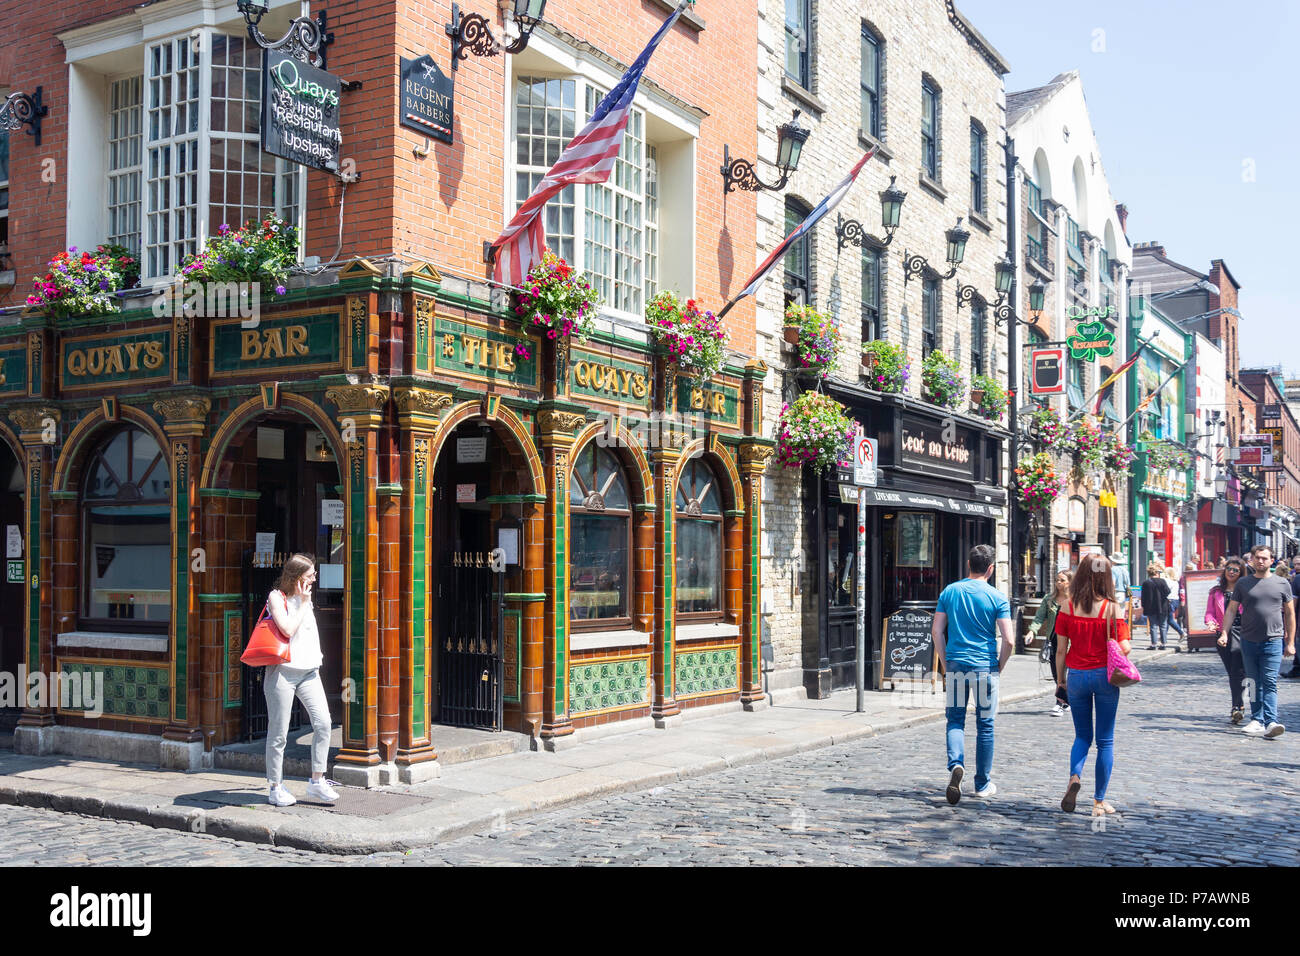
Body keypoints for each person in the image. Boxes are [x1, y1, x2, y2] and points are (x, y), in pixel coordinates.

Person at [932, 545, 1015, 804]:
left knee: (955, 720)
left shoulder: (950, 591)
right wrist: (999, 666)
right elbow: (1009, 640)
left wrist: (946, 664)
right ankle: (982, 784)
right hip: (984, 666)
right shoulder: (997, 597)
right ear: (990, 569)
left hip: (956, 663)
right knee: (985, 726)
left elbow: (936, 631)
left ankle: (956, 765)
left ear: (968, 564)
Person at [1053, 554, 1131, 816]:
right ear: (1107, 577)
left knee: (1082, 736)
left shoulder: (1068, 606)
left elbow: (1061, 650)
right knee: (1105, 741)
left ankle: (1075, 777)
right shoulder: (1112, 608)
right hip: (1104, 676)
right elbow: (1124, 647)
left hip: (1076, 675)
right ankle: (1098, 801)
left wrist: (1060, 680)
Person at [264, 553, 339, 807]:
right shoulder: (277, 597)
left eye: (314, 575)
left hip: (309, 672)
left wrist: (306, 601)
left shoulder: (306, 599)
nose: (314, 579)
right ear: (296, 577)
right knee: (279, 733)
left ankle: (317, 781)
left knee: (324, 723)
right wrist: (304, 602)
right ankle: (275, 786)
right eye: (310, 576)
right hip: (283, 673)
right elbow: (286, 629)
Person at [1222, 544, 1296, 738]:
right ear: (1252, 560)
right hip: (1248, 640)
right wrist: (1224, 632)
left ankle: (1271, 720)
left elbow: (1290, 613)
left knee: (1269, 680)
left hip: (1273, 639)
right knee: (1253, 682)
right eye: (1258, 558)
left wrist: (1290, 642)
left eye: (1265, 558)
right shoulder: (1243, 584)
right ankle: (1257, 719)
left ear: (1272, 561)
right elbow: (1231, 610)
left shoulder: (1282, 583)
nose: (1261, 561)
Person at [1205, 557, 1248, 724]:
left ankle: (1237, 706)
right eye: (1229, 568)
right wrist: (1210, 622)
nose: (1231, 572)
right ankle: (1238, 704)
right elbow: (1210, 612)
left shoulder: (1245, 590)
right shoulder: (1216, 591)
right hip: (1223, 633)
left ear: (1241, 573)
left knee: (1238, 670)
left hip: (1243, 632)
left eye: (1236, 570)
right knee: (1232, 672)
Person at [1028, 570, 1073, 716]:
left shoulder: (1076, 599)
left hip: (1073, 641)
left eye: (1062, 580)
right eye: (1057, 580)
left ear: (1070, 582)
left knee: (1071, 672)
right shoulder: (1049, 599)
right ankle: (1061, 701)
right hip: (1054, 640)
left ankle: (1067, 700)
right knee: (1057, 671)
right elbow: (1039, 617)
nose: (1058, 583)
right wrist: (1032, 631)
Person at [1140, 565, 1171, 649]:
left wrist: (1143, 606)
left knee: (1153, 626)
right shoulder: (1162, 581)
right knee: (1163, 625)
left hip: (1150, 607)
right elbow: (1168, 591)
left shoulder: (1146, 583)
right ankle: (1163, 644)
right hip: (1162, 606)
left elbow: (1143, 596)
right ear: (1156, 573)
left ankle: (1154, 644)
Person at [1164, 566, 1186, 645]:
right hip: (1175, 600)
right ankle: (1164, 637)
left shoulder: (1167, 581)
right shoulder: (1175, 582)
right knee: (1166, 619)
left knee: (1169, 620)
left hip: (1169, 601)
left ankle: (1181, 633)